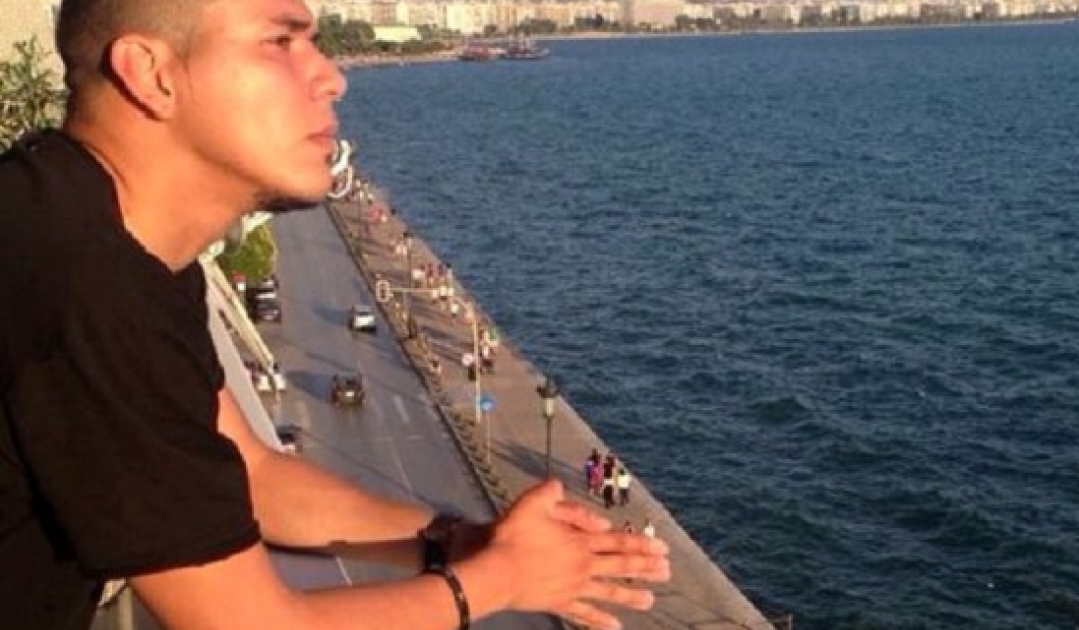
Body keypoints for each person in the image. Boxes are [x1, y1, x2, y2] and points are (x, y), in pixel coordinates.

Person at [0, 2, 669, 630]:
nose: (332, 77)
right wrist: (501, 578)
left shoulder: (84, 227)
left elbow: (254, 477)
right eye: (280, 41)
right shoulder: (83, 276)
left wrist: (456, 542)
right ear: (151, 74)